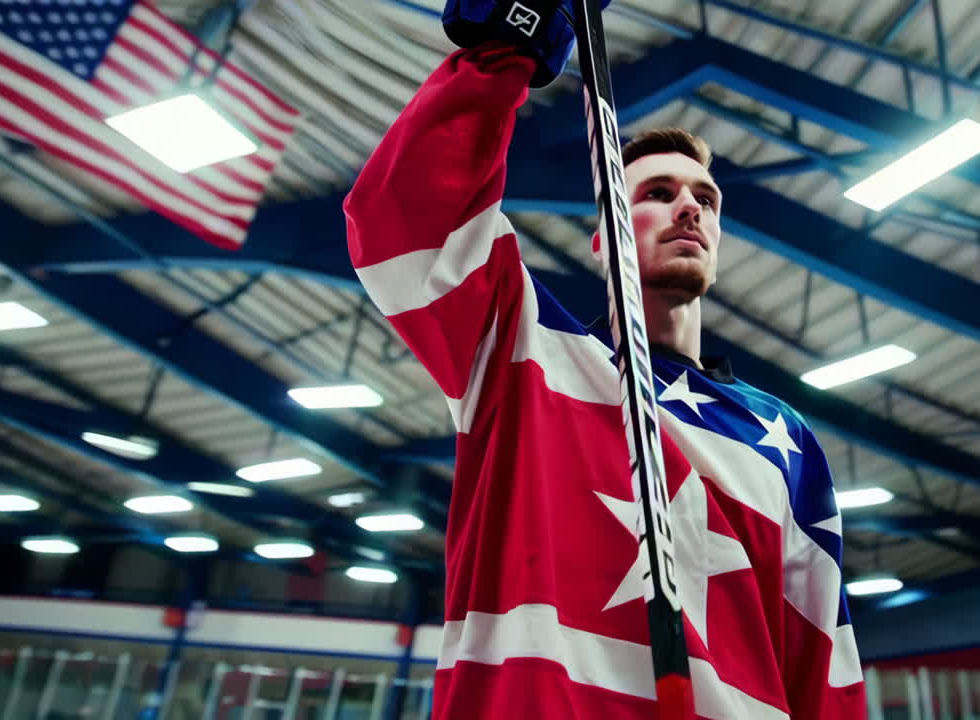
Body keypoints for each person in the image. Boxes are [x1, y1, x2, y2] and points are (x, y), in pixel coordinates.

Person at [344, 3, 866, 717]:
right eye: (657, 193)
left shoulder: (784, 438)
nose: (690, 209)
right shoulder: (525, 350)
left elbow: (822, 665)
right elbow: (401, 220)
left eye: (706, 199)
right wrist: (509, 46)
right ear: (604, 236)